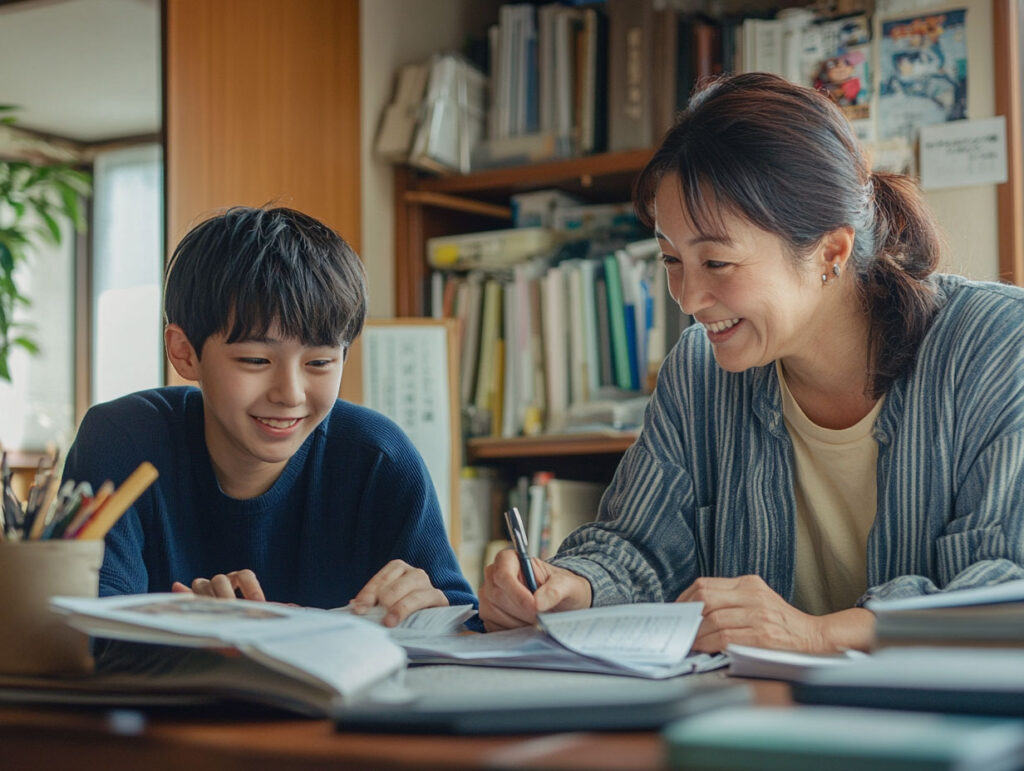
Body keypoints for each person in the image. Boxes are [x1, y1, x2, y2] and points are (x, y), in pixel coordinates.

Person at [479, 72, 1024, 653]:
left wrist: (816, 635)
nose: (688, 299)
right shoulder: (699, 370)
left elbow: (1001, 592)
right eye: (670, 260)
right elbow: (637, 546)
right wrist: (570, 586)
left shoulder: (997, 346)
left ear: (830, 252)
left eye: (716, 262)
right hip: (750, 713)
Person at [63, 205, 475, 628]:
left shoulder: (377, 456)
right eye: (256, 360)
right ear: (184, 352)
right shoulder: (124, 441)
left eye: (319, 363)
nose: (290, 394)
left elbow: (466, 623)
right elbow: (84, 631)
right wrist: (184, 626)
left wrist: (432, 606)